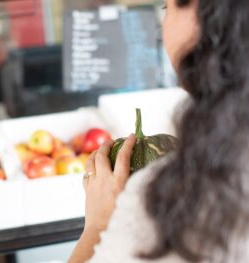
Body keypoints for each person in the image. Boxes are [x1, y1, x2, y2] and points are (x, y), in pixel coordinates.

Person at [69, 0, 249, 262]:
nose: (161, 27)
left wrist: (98, 225)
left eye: (167, 7)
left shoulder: (161, 196)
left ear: (207, 17)